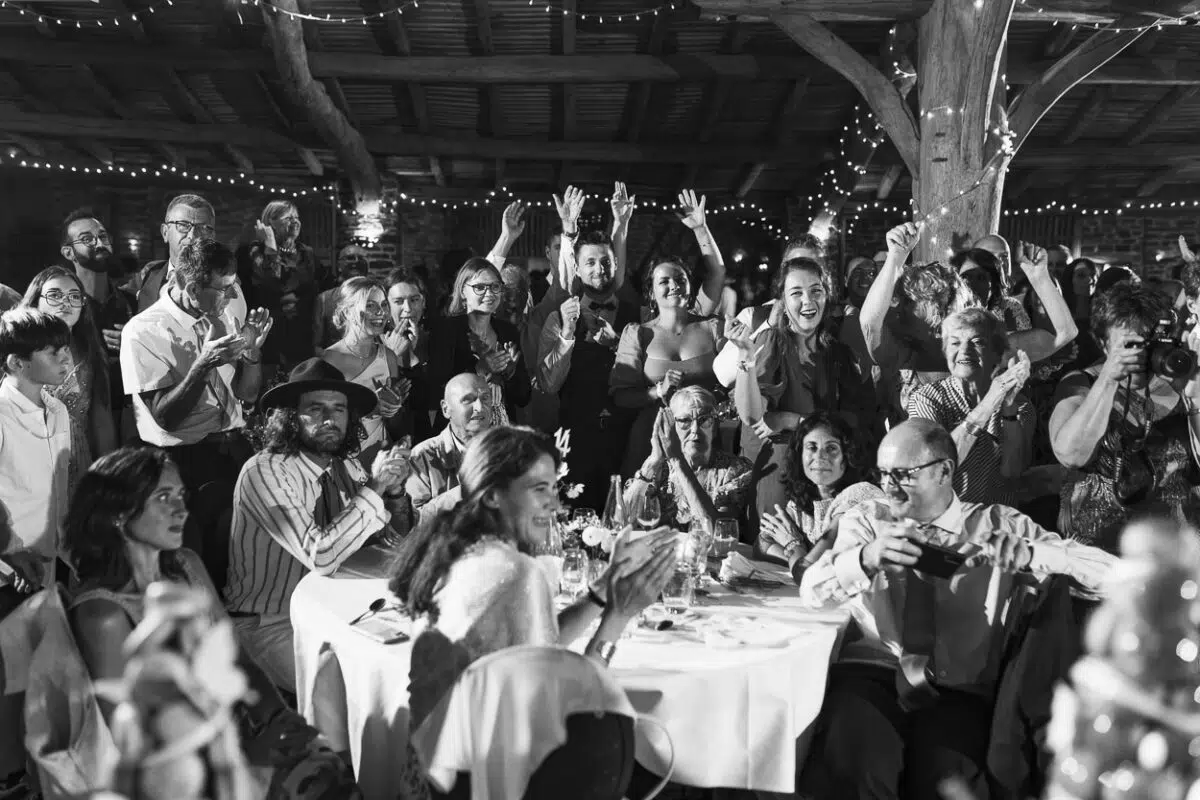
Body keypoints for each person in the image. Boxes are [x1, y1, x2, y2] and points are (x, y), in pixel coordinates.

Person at [797, 419, 1117, 800]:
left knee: (948, 787)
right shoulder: (868, 519)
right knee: (853, 768)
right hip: (875, 674)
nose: (889, 487)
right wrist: (865, 557)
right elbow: (812, 591)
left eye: (902, 475)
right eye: (884, 474)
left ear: (944, 471)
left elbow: (1116, 577)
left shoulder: (999, 525)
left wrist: (1040, 555)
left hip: (955, 690)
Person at [389, 425, 677, 798]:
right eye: (539, 489)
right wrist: (618, 617)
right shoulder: (516, 572)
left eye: (554, 489)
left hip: (426, 775)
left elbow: (538, 652)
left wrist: (606, 585)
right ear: (493, 496)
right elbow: (561, 708)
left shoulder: (453, 552)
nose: (554, 506)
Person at [64, 446, 362, 796]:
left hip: (231, 735)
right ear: (118, 514)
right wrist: (250, 760)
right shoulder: (103, 615)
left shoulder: (187, 565)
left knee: (338, 767)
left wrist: (280, 722)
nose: (181, 509)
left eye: (180, 495)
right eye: (163, 497)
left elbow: (236, 655)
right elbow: (136, 742)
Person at [224, 358, 412, 690]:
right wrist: (375, 488)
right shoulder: (265, 470)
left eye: (339, 409)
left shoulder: (347, 466)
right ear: (289, 417)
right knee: (345, 688)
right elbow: (322, 555)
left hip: (342, 611)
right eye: (315, 409)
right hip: (272, 625)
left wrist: (395, 492)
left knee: (410, 665)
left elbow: (392, 544)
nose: (329, 419)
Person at [120, 238, 273, 582]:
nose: (234, 297)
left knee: (240, 561)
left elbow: (246, 396)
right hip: (182, 463)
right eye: (225, 288)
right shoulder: (144, 331)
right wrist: (202, 365)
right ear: (191, 287)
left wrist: (252, 354)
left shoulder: (226, 314)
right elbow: (165, 417)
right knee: (191, 569)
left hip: (233, 449)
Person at [721, 257, 878, 533]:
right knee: (777, 549)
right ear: (782, 300)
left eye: (816, 291)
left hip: (829, 468)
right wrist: (745, 354)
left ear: (827, 296)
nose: (808, 301)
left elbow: (856, 419)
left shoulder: (837, 351)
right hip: (782, 466)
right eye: (796, 293)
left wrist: (792, 419)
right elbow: (751, 415)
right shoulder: (771, 342)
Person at [1050, 282, 1200, 552]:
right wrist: (1109, 378)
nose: (1142, 354)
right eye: (1131, 344)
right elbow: (1070, 455)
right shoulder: (1081, 384)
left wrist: (1195, 399)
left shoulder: (1179, 382)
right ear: (1103, 343)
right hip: (1099, 555)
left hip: (1173, 552)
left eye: (1149, 343)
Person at [611, 191, 726, 476]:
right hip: (651, 440)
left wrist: (701, 227)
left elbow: (717, 273)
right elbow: (620, 397)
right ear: (651, 291)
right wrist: (656, 391)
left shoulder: (711, 327)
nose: (673, 285)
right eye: (664, 281)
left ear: (689, 286)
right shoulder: (638, 334)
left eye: (680, 279)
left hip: (705, 440)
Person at [538, 231, 641, 510]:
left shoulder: (639, 315)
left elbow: (648, 374)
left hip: (626, 438)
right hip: (575, 437)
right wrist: (569, 333)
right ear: (578, 268)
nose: (599, 269)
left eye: (605, 261)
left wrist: (618, 345)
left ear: (616, 265)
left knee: (622, 520)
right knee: (575, 522)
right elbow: (549, 383)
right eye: (591, 262)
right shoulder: (558, 318)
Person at [907, 308, 1036, 506]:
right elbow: (936, 468)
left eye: (977, 342)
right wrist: (990, 401)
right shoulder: (926, 399)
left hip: (995, 523)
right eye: (955, 343)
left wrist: (1008, 408)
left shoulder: (1022, 406)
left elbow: (1012, 473)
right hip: (944, 522)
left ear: (997, 354)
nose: (965, 351)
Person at [754, 412, 882, 577]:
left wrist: (794, 546)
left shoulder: (857, 496)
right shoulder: (805, 500)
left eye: (831, 448)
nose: (820, 456)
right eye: (812, 447)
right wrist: (799, 559)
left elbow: (809, 573)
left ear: (848, 455)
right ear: (800, 455)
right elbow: (762, 543)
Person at [22, 267, 116, 492]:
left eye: (75, 296)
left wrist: (110, 477)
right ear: (36, 301)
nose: (66, 302)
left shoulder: (91, 352)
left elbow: (102, 422)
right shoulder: (14, 350)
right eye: (54, 295)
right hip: (25, 457)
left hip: (77, 458)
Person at [0, 308, 73, 588]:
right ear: (17, 363)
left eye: (65, 348)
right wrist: (10, 551)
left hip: (47, 558)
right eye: (52, 351)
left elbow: (58, 490)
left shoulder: (57, 409)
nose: (65, 357)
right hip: (10, 566)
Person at [624, 387, 753, 532]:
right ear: (670, 428)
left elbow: (715, 532)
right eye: (685, 421)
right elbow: (621, 521)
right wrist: (652, 462)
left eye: (704, 420)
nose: (695, 430)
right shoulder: (659, 468)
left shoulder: (736, 469)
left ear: (715, 428)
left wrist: (678, 462)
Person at [59, 208, 136, 441]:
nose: (98, 243)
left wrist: (134, 345)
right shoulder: (65, 309)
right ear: (68, 252)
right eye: (87, 239)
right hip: (81, 424)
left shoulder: (132, 303)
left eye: (103, 236)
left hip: (132, 420)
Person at [429, 258, 531, 426]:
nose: (489, 294)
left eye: (495, 287)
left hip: (500, 431)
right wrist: (479, 370)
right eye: (480, 287)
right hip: (462, 430)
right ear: (463, 291)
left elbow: (523, 398)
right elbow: (437, 391)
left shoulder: (508, 331)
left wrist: (511, 373)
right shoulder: (447, 330)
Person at [238, 200, 330, 378]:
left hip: (302, 336)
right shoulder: (252, 252)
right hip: (268, 336)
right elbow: (271, 282)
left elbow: (323, 286)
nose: (294, 222)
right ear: (269, 223)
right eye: (288, 218)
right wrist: (271, 247)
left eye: (297, 217)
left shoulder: (307, 253)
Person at [321, 277, 406, 467]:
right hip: (343, 457)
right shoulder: (330, 359)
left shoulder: (389, 356)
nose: (380, 312)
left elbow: (393, 423)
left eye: (384, 304)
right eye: (370, 305)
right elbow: (327, 418)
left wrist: (395, 406)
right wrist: (369, 407)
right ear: (348, 311)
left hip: (379, 456)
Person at [134, 194, 248, 326]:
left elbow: (228, 339)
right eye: (183, 225)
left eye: (203, 228)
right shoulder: (151, 273)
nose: (193, 236)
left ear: (212, 237)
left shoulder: (225, 287)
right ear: (165, 232)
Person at [406, 373, 493, 523]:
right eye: (468, 400)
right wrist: (467, 492)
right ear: (446, 409)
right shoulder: (421, 457)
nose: (479, 407)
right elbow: (412, 523)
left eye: (485, 398)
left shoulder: (509, 450)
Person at [382, 266, 434, 443]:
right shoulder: (377, 345)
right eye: (398, 301)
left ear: (424, 302)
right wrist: (392, 356)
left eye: (414, 300)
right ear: (386, 307)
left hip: (427, 439)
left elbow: (431, 400)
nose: (408, 308)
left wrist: (413, 354)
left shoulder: (435, 340)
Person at [952, 248, 1031, 332]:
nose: (972, 284)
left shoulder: (1010, 311)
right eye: (965, 277)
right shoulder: (946, 313)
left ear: (993, 285)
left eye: (981, 278)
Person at [313, 244, 369, 353]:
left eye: (361, 258)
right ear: (339, 265)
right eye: (350, 258)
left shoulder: (379, 295)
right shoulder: (325, 299)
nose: (356, 261)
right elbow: (317, 346)